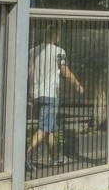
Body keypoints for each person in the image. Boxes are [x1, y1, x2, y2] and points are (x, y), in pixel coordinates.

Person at [27, 27, 84, 164]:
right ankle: (24, 157)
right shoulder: (59, 52)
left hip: (35, 94)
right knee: (43, 128)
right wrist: (77, 84)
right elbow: (65, 71)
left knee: (49, 128)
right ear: (54, 36)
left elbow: (29, 72)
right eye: (58, 35)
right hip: (50, 94)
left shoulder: (32, 51)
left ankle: (54, 159)